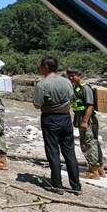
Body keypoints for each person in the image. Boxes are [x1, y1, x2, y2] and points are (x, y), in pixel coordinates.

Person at [33, 55, 81, 195]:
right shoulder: (67, 82)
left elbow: (37, 105)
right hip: (66, 118)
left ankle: (57, 185)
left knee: (53, 152)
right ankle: (76, 186)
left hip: (50, 118)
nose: (39, 68)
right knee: (69, 152)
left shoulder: (42, 84)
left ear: (46, 66)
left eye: (40, 66)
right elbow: (71, 99)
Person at [68, 67, 106, 179]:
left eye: (73, 75)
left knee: (88, 143)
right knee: (93, 142)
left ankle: (93, 171)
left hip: (87, 118)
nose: (71, 78)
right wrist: (76, 119)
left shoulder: (85, 88)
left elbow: (90, 106)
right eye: (69, 75)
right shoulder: (76, 88)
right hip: (81, 116)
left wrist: (85, 121)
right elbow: (78, 105)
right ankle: (100, 169)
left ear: (80, 76)